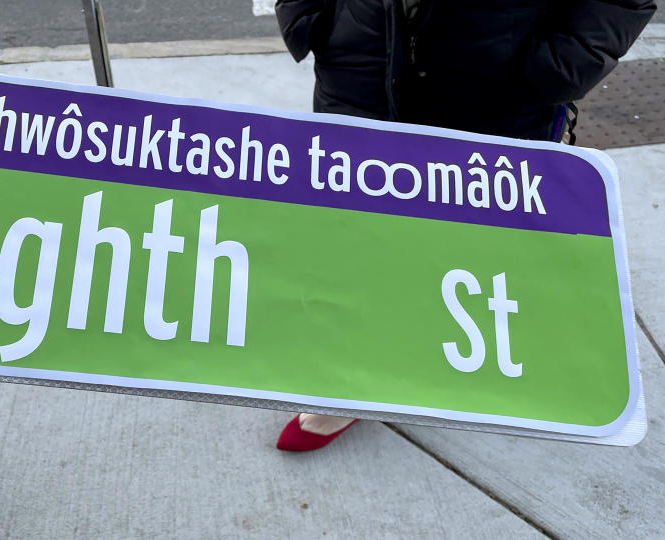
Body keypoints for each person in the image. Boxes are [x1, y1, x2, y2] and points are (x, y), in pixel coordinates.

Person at [273, 0, 656, 451]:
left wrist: (565, 62)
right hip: (363, 56)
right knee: (356, 225)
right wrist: (307, 19)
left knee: (471, 240)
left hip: (498, 78)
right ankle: (356, 369)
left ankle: (461, 343)